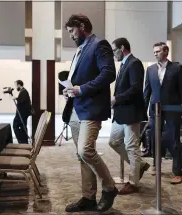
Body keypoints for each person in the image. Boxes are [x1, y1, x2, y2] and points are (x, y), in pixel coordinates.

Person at [62, 14, 118, 213]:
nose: (70, 35)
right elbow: (78, 78)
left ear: (82, 26)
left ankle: (109, 187)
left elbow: (109, 73)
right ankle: (88, 197)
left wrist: (82, 89)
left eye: (71, 31)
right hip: (76, 108)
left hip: (91, 107)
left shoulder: (99, 44)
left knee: (86, 150)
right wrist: (70, 89)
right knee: (81, 156)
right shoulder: (80, 49)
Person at [108, 37, 150, 194]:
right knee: (113, 141)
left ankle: (133, 182)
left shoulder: (134, 63)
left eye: (114, 51)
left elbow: (136, 88)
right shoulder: (124, 64)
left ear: (122, 47)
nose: (113, 54)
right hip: (121, 112)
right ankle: (140, 165)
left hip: (132, 112)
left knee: (132, 146)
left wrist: (116, 99)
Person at [143, 42, 182, 184]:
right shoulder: (150, 70)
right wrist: (141, 110)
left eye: (158, 51)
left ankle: (177, 172)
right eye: (154, 51)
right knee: (155, 138)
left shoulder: (177, 68)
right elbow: (147, 92)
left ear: (166, 51)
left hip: (172, 110)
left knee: (174, 139)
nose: (155, 53)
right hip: (154, 110)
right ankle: (156, 165)